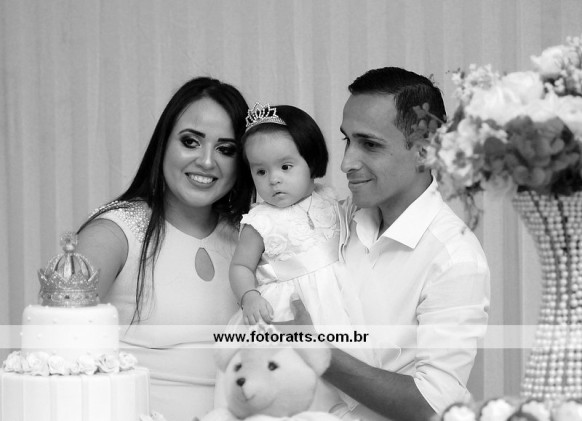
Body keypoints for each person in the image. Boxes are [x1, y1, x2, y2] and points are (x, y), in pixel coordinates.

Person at [289, 67, 490, 421]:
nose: (347, 163)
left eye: (370, 144)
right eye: (347, 140)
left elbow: (433, 404)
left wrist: (319, 353)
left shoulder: (455, 258)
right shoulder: (331, 218)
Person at [75, 76, 254, 421]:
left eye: (226, 149)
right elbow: (57, 347)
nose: (207, 161)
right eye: (190, 142)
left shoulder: (247, 239)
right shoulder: (115, 233)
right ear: (163, 144)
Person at [222, 103, 366, 415]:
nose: (273, 179)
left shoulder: (327, 198)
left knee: (345, 365)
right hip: (288, 307)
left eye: (285, 167)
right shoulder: (259, 221)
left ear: (311, 162)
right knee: (294, 375)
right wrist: (249, 296)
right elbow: (241, 265)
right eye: (261, 171)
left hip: (335, 301)